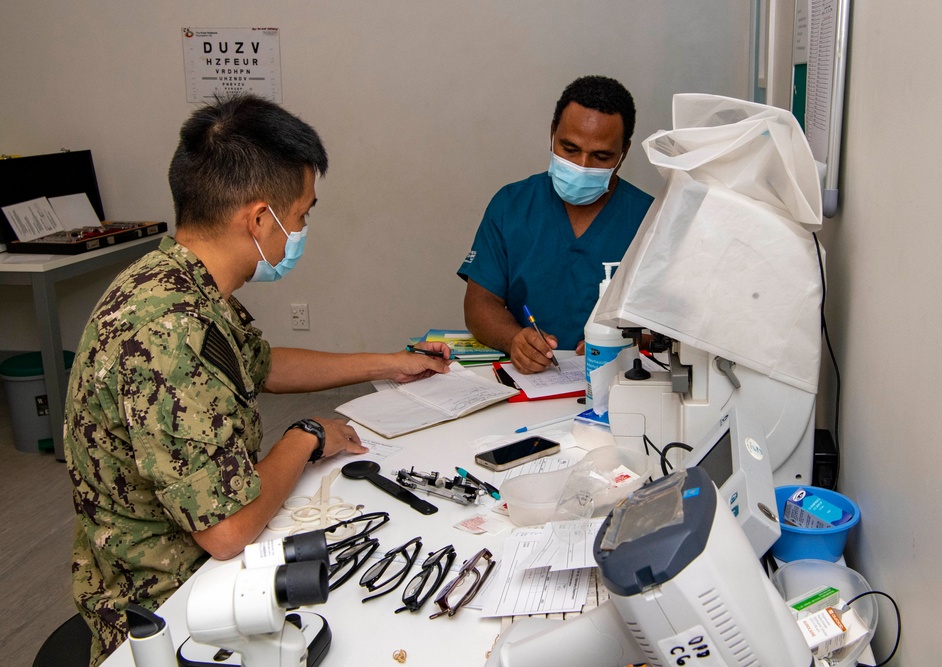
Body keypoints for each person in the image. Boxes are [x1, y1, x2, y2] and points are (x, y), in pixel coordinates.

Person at [63, 94, 451, 665]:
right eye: (301, 215)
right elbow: (227, 529)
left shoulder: (176, 276)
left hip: (201, 567)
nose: (301, 230)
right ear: (259, 218)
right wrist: (307, 434)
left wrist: (387, 363)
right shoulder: (169, 333)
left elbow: (259, 363)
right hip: (167, 610)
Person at [458, 75, 653, 374]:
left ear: (623, 153)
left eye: (601, 156)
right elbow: (479, 304)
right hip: (529, 382)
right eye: (570, 149)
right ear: (552, 134)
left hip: (618, 384)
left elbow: (677, 322)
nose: (582, 166)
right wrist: (515, 340)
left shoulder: (650, 220)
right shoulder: (511, 206)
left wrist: (624, 342)